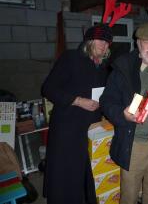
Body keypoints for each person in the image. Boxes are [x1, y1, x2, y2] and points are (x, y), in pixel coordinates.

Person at [100, 22, 148, 204]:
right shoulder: (124, 67)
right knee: (129, 194)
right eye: (147, 42)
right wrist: (122, 114)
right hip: (134, 143)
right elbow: (106, 101)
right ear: (138, 43)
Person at [41, 23, 113, 204]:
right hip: (67, 128)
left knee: (85, 172)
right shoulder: (71, 58)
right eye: (100, 40)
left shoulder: (102, 67)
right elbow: (48, 88)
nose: (104, 45)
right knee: (66, 175)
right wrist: (78, 101)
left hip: (89, 129)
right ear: (89, 40)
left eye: (107, 42)